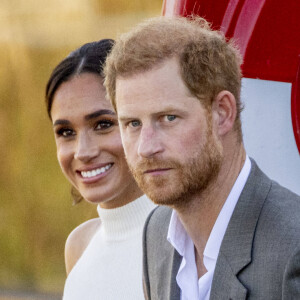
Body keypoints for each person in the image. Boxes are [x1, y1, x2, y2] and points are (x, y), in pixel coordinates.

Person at [104, 17, 300, 299]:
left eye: (168, 118)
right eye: (132, 124)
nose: (145, 148)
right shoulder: (157, 233)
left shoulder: (293, 249)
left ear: (222, 112)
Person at [45, 39, 156, 300]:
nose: (83, 151)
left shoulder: (187, 239)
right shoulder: (79, 245)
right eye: (66, 132)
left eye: (103, 124)